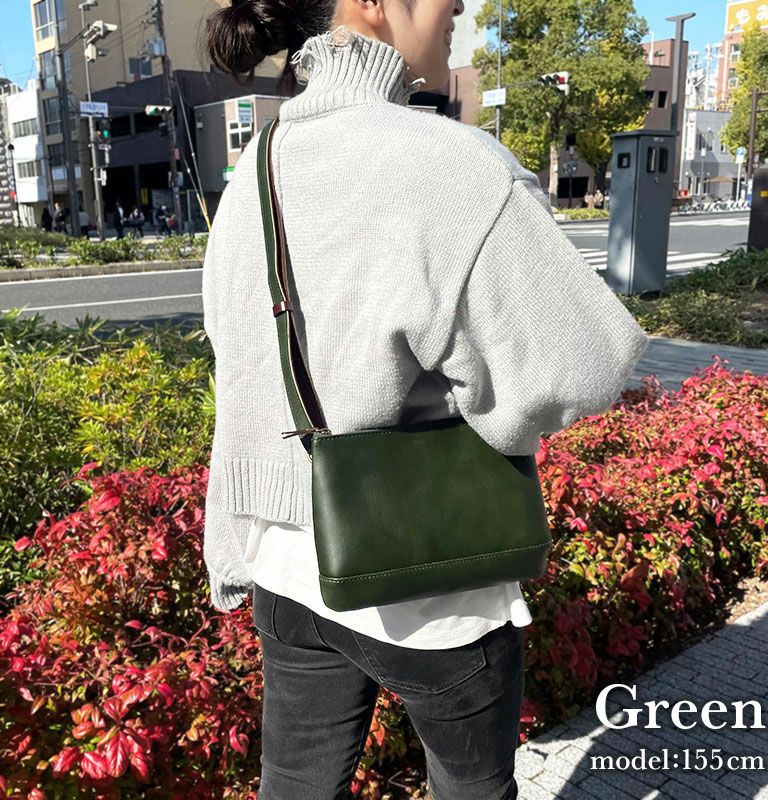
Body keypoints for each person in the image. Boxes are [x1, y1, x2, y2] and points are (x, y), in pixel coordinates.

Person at [202, 3, 650, 800]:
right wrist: (487, 405)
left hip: (285, 568)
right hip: (430, 586)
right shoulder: (451, 164)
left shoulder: (257, 169)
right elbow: (585, 363)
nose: (460, 7)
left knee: (295, 786)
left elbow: (237, 363)